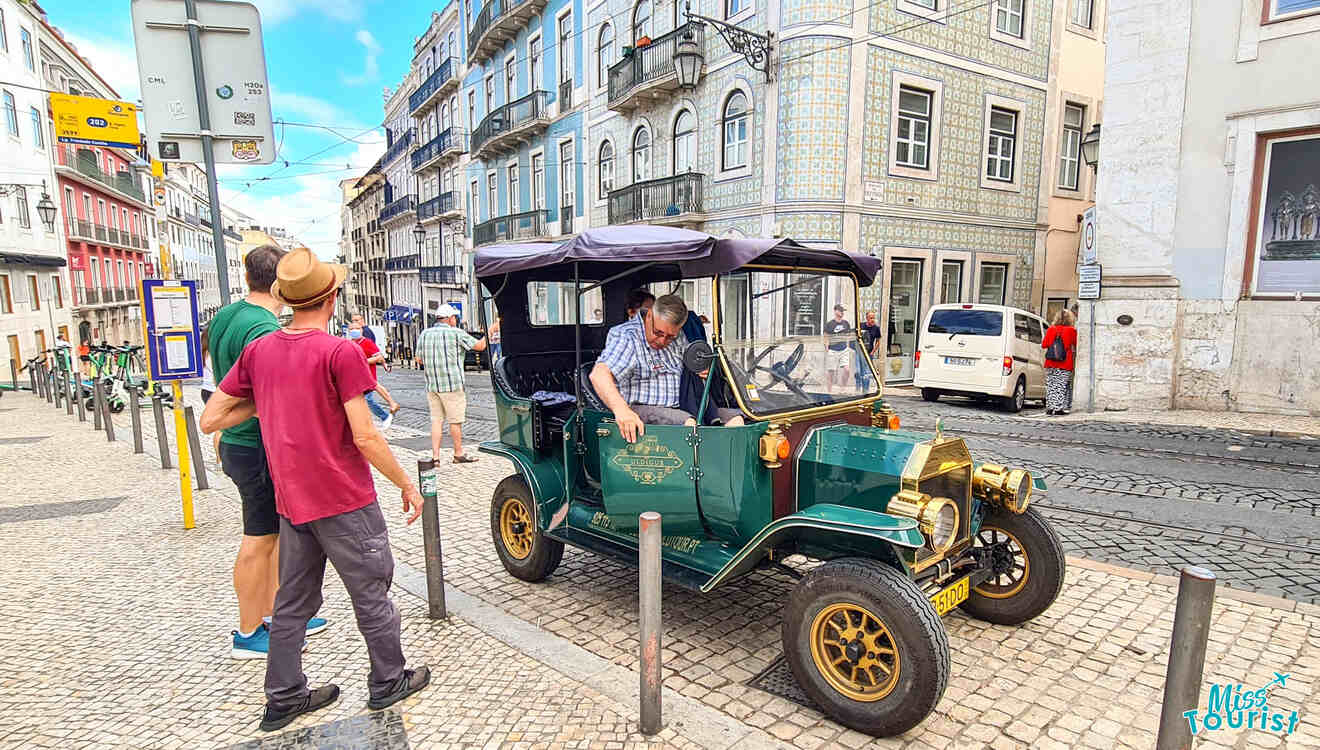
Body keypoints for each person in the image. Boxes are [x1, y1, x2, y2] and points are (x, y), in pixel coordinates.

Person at [200, 249, 431, 731]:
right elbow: (365, 435)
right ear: (331, 297)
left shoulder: (259, 351)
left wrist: (266, 400)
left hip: (292, 502)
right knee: (371, 592)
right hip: (344, 499)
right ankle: (388, 680)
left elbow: (212, 418)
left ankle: (283, 696)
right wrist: (407, 483)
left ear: (287, 300)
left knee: (292, 604)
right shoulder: (339, 352)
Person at [209, 244, 329, 660]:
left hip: (241, 442)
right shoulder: (262, 329)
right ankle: (247, 631)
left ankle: (278, 613)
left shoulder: (227, 315)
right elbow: (273, 393)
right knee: (258, 540)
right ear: (282, 284)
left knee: (273, 535)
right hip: (256, 444)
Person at [591, 295, 741, 442]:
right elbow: (599, 374)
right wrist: (621, 410)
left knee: (737, 420)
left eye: (670, 337)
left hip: (685, 404)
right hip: (640, 409)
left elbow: (691, 362)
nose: (662, 341)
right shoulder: (627, 336)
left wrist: (701, 368)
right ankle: (705, 465)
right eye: (658, 332)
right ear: (649, 316)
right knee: (688, 424)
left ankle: (728, 465)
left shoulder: (679, 334)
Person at [415, 303, 487, 463]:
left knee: (436, 420)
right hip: (452, 385)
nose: (456, 319)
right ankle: (458, 453)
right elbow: (480, 346)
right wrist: (493, 329)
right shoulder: (456, 333)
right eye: (455, 317)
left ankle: (435, 457)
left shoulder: (425, 334)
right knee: (455, 421)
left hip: (432, 385)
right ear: (449, 319)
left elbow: (418, 359)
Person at [348, 320, 399, 430]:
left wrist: (364, 361)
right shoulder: (350, 343)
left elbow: (379, 357)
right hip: (356, 378)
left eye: (356, 328)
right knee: (358, 401)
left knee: (368, 399)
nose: (353, 331)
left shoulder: (367, 343)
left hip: (368, 374)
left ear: (361, 330)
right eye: (351, 329)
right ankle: (362, 423)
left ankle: (385, 415)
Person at [1042, 309, 1078, 415]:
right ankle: (1058, 408)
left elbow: (1044, 344)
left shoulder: (1051, 329)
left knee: (1051, 385)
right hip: (1065, 362)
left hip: (1050, 362)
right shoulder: (1071, 331)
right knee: (1061, 385)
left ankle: (1049, 407)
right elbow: (1076, 344)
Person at [823, 304, 854, 393]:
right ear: (836, 311)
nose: (842, 313)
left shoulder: (846, 323)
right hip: (833, 350)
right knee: (831, 371)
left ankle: (842, 388)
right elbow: (826, 337)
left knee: (847, 370)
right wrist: (827, 348)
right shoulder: (830, 324)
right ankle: (829, 390)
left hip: (843, 349)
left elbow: (849, 335)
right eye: (840, 311)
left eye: (843, 311)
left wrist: (847, 345)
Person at [857, 310, 883, 390]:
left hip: (868, 353)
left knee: (866, 373)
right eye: (871, 318)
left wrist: (872, 352)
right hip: (859, 352)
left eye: (874, 318)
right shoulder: (861, 325)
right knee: (858, 371)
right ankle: (857, 389)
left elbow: (878, 342)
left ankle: (865, 390)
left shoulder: (876, 328)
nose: (873, 320)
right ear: (867, 318)